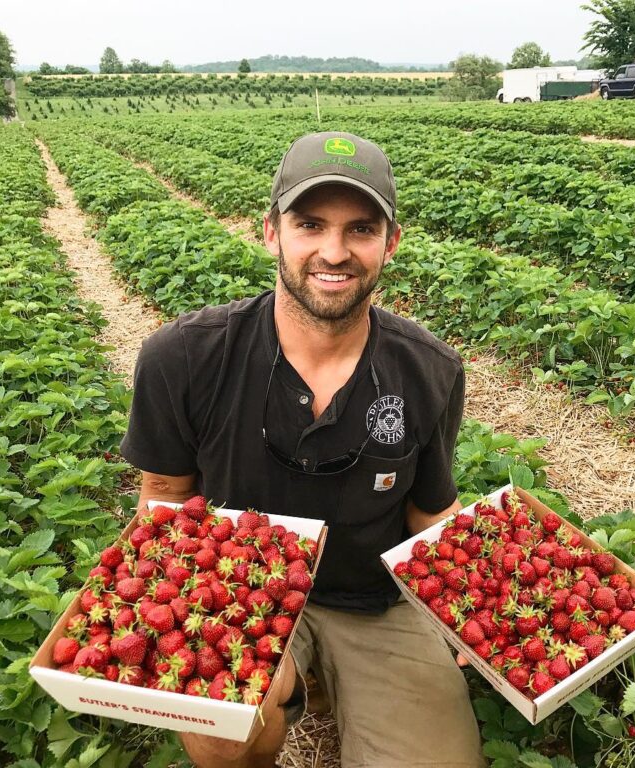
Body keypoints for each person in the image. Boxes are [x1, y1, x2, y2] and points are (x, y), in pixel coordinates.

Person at [121, 131, 486, 768]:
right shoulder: (185, 356)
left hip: (368, 597)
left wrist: (468, 606)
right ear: (271, 232)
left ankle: (326, 681)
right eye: (310, 224)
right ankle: (286, 698)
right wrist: (159, 606)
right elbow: (168, 498)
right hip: (238, 588)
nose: (334, 251)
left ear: (390, 243)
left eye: (361, 229)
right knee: (221, 730)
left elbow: (430, 514)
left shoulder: (429, 370)